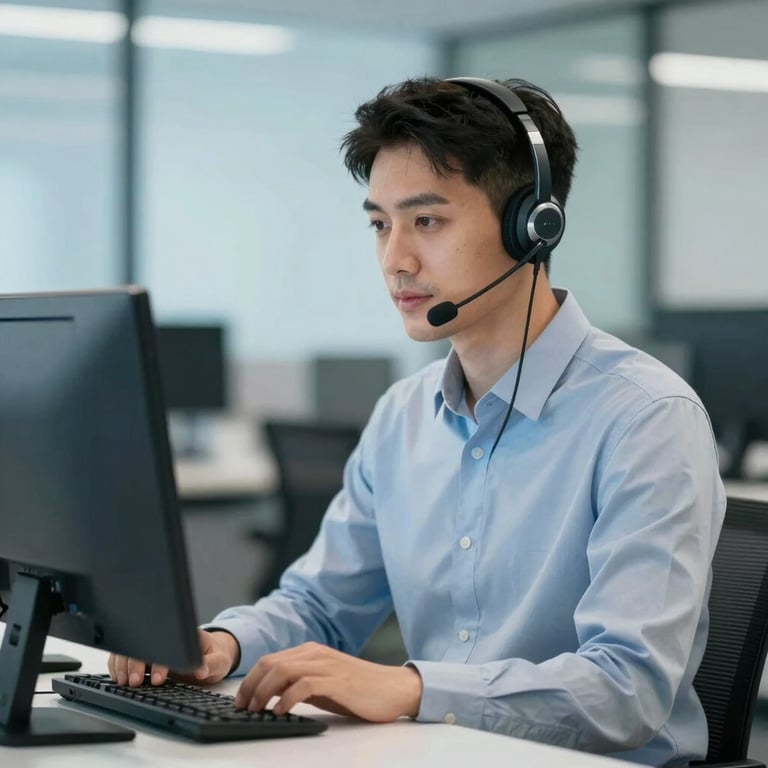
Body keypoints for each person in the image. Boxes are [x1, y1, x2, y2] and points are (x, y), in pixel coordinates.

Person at [109, 76, 725, 766]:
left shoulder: (644, 419)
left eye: (427, 221)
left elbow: (625, 690)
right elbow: (319, 605)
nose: (394, 259)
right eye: (380, 224)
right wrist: (220, 645)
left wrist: (409, 687)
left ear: (533, 225)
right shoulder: (404, 416)